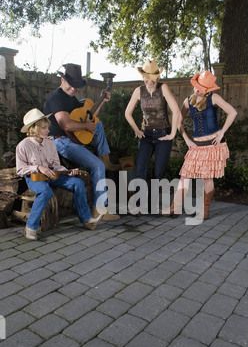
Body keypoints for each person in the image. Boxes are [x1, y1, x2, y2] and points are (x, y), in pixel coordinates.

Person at [43, 63, 120, 221]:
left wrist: (102, 101)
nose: (73, 89)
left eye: (76, 86)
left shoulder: (70, 98)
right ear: (63, 80)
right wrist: (85, 125)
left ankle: (104, 156)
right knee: (96, 166)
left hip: (70, 138)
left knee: (97, 124)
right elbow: (66, 124)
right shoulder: (57, 98)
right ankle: (99, 210)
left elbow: (89, 117)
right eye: (71, 85)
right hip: (59, 141)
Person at [16, 109, 104, 241]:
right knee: (46, 192)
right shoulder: (23, 146)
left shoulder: (50, 142)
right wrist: (38, 167)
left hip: (53, 175)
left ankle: (87, 221)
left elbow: (55, 165)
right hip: (35, 178)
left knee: (77, 183)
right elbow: (20, 170)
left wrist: (67, 171)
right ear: (34, 129)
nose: (48, 131)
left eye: (47, 127)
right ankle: (31, 228)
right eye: (44, 128)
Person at [161, 70, 237, 219]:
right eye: (196, 87)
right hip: (196, 146)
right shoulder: (188, 101)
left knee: (207, 178)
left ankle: (205, 210)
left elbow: (232, 112)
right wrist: (187, 140)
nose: (197, 90)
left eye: (201, 89)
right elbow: (178, 123)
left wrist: (222, 133)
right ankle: (174, 208)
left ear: (207, 90)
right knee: (185, 176)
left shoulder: (214, 98)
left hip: (212, 145)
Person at [125, 59, 180, 213]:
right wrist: (136, 129)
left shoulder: (164, 88)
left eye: (152, 77)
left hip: (163, 134)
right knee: (140, 169)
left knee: (157, 172)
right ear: (143, 77)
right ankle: (140, 205)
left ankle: (153, 205)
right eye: (146, 77)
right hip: (146, 135)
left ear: (157, 77)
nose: (149, 81)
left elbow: (176, 111)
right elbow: (127, 113)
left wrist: (172, 134)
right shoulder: (138, 91)